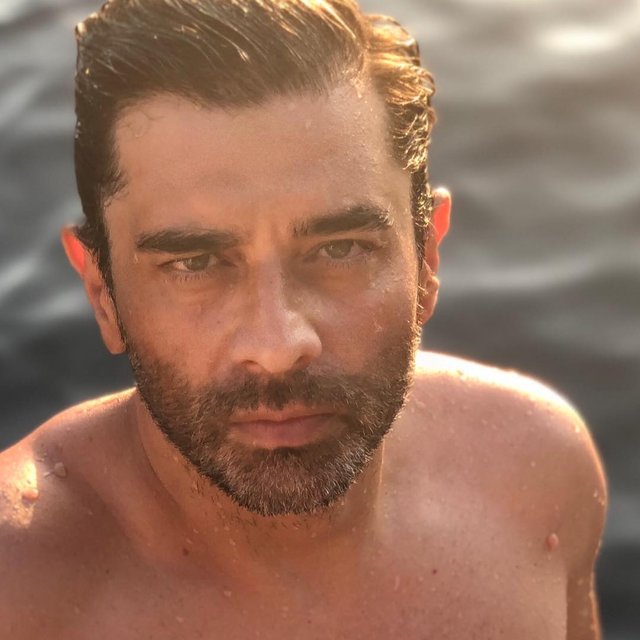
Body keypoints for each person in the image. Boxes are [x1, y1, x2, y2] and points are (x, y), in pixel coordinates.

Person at [0, 0, 607, 637]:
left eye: (340, 249)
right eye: (195, 263)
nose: (279, 343)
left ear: (427, 257)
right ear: (102, 292)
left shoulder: (537, 471)